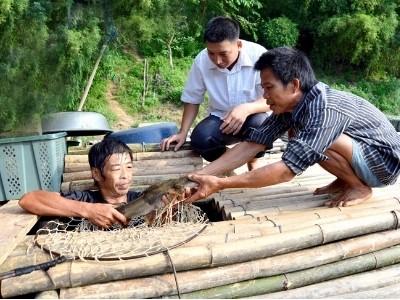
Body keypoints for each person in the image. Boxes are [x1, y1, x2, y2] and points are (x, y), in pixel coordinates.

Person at [186, 47, 400, 207]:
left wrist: (222, 184)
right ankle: (345, 180)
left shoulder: (324, 109)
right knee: (299, 132)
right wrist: (196, 177)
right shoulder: (290, 107)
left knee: (315, 138)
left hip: (383, 164)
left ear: (295, 85)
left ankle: (359, 187)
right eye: (263, 88)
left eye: (269, 88)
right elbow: (253, 144)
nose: (265, 96)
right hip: (362, 153)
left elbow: (287, 171)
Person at [160, 16, 270, 171]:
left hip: (255, 115)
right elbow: (192, 98)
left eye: (223, 53)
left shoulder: (260, 56)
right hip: (221, 117)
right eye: (211, 53)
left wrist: (246, 109)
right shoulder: (201, 60)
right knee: (200, 139)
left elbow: (274, 98)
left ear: (238, 45)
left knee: (260, 125)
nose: (217, 60)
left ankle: (252, 159)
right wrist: (183, 132)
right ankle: (227, 164)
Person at [19, 138, 140, 228]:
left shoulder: (142, 200)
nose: (125, 175)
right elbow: (28, 200)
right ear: (96, 174)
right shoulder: (84, 199)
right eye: (116, 169)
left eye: (129, 167)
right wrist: (88, 210)